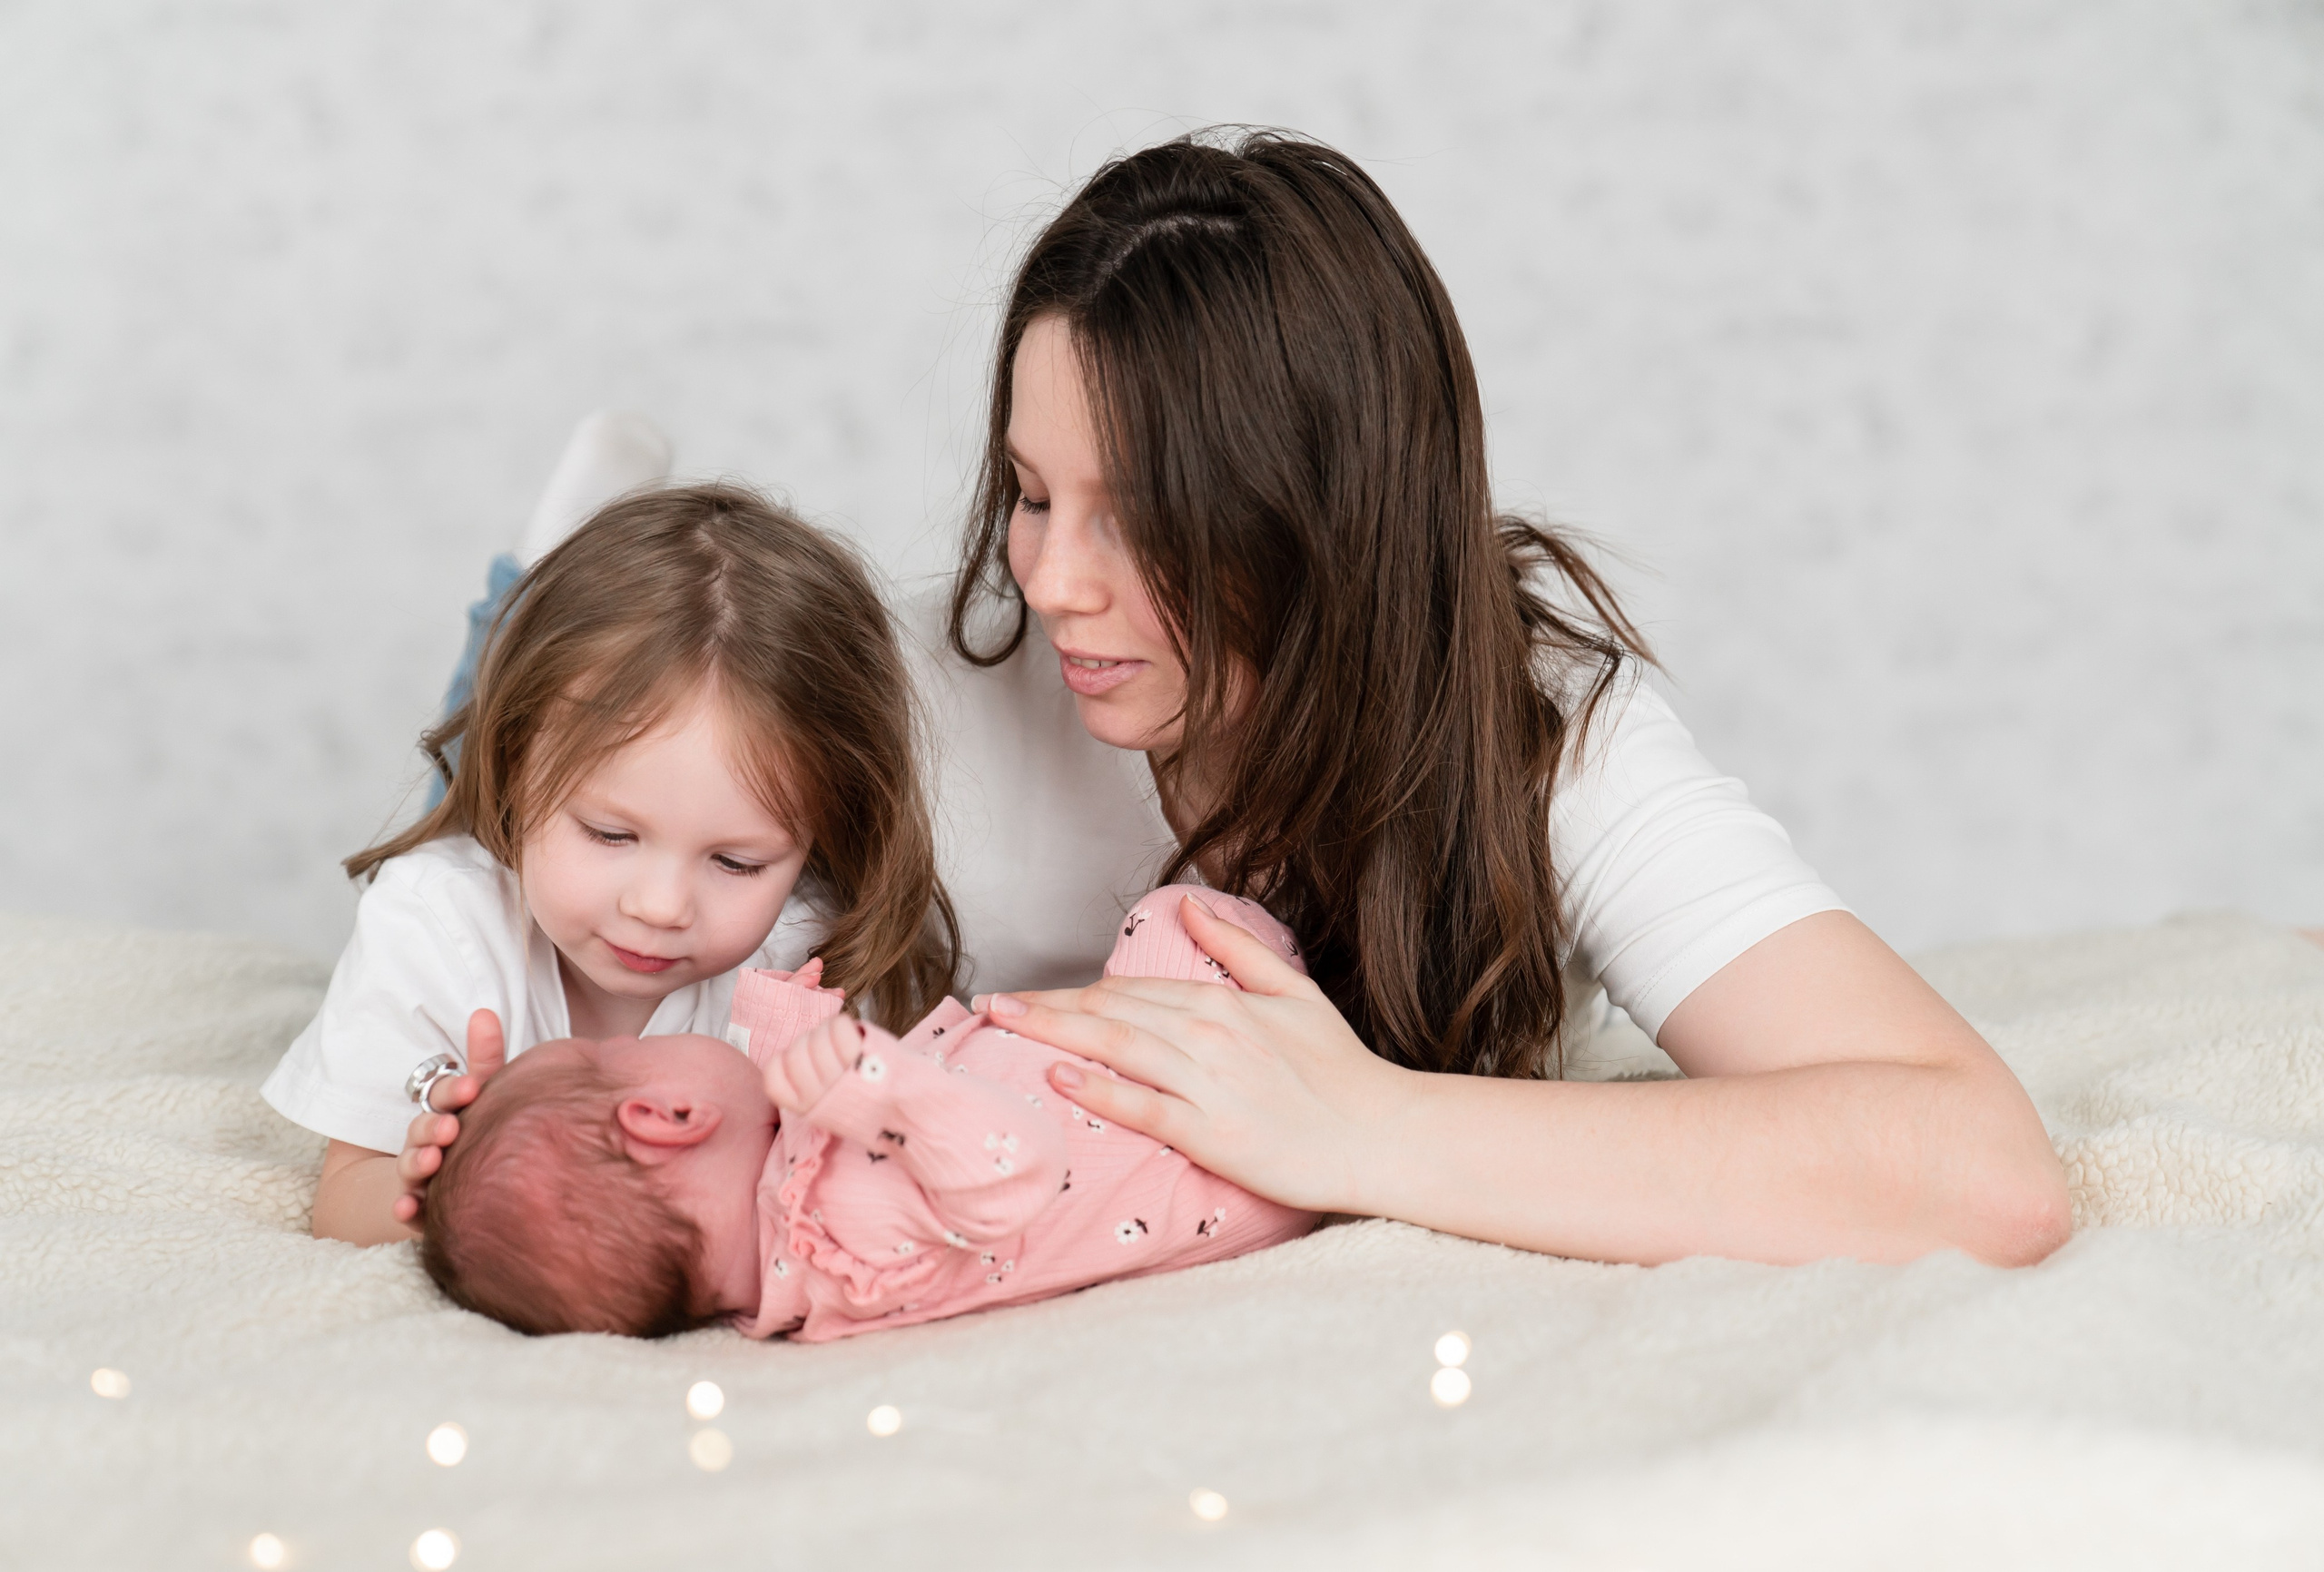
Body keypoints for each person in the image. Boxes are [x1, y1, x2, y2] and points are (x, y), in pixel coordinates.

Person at [404, 128, 2073, 1271]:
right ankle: (534, 593)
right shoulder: (926, 695)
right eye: (1030, 494)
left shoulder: (1554, 740)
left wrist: (1367, 1127)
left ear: (1320, 520)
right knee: (504, 736)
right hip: (648, 716)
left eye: (1136, 517)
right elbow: (620, 941)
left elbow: (1980, 1167)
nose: (1053, 582)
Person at [267, 481, 958, 1244]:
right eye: (609, 834)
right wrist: (444, 1183)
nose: (661, 907)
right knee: (470, 727)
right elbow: (344, 1202)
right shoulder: (432, 919)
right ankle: (524, 570)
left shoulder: (812, 954)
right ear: (517, 770)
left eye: (736, 862)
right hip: (494, 841)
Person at [419, 887, 1316, 1341]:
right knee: (1177, 918)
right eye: (616, 1052)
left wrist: (793, 1036)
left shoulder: (794, 1251)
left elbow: (789, 1120)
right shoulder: (843, 1214)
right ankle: (1323, 1029)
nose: (639, 1039)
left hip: (1142, 1095)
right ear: (668, 1114)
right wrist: (884, 1086)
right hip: (1216, 1136)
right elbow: (1018, 1169)